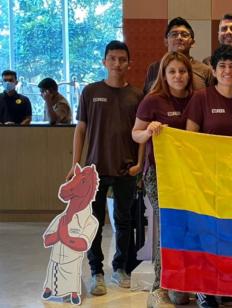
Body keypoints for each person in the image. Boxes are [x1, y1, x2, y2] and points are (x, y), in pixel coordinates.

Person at [67, 40, 144, 297]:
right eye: (112, 58)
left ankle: (120, 268)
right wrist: (76, 165)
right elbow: (81, 129)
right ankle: (96, 272)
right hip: (94, 172)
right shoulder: (90, 92)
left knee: (124, 222)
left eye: (122, 59)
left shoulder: (137, 95)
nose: (117, 63)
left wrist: (139, 164)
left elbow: (142, 133)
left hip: (126, 170)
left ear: (129, 63)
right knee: (94, 224)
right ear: (104, 62)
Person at [186, 45, 232, 308]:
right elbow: (189, 140)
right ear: (213, 70)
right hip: (209, 178)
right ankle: (205, 290)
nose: (228, 71)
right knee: (209, 233)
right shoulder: (201, 98)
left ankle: (226, 285)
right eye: (222, 66)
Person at [132, 51, 194, 308]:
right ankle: (160, 286)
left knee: (189, 227)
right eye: (172, 72)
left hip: (189, 174)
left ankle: (184, 282)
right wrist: (148, 131)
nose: (178, 76)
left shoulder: (195, 99)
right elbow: (135, 134)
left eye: (182, 71)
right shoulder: (153, 100)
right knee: (167, 226)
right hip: (158, 174)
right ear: (164, 75)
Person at [144, 17, 213, 93]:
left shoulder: (205, 70)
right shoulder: (155, 68)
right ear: (166, 41)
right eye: (174, 34)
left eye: (184, 35)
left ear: (192, 42)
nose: (179, 37)